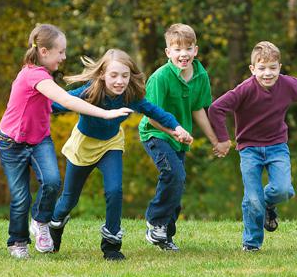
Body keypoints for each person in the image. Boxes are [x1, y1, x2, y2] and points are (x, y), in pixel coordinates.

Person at [0, 24, 132, 259]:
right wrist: (105, 113)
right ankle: (17, 242)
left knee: (51, 181)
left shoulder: (43, 76)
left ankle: (40, 222)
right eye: (61, 52)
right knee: (21, 197)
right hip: (12, 144)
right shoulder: (33, 74)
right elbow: (66, 100)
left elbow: (53, 105)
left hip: (39, 141)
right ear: (43, 51)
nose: (64, 56)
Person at [208, 41, 297, 251]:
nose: (268, 73)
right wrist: (223, 139)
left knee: (283, 190)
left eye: (272, 68)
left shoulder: (287, 85)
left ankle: (267, 204)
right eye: (262, 68)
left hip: (277, 146)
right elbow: (216, 108)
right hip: (249, 149)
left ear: (280, 67)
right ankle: (251, 244)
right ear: (252, 69)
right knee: (252, 198)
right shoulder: (245, 90)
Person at [49, 49, 192, 261]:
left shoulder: (129, 96)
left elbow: (156, 112)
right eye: (114, 75)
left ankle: (112, 246)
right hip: (84, 146)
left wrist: (176, 127)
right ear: (102, 75)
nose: (120, 81)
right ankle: (55, 226)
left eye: (125, 76)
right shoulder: (89, 92)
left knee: (115, 191)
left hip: (111, 144)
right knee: (69, 199)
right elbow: (56, 103)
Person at [139, 23, 223, 252]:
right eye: (177, 49)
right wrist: (173, 131)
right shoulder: (160, 78)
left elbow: (198, 109)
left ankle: (165, 236)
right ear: (168, 53)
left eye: (188, 48)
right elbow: (151, 116)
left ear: (195, 50)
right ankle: (155, 221)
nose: (183, 54)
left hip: (180, 137)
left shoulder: (200, 75)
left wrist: (215, 140)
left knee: (179, 180)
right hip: (155, 133)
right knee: (173, 173)